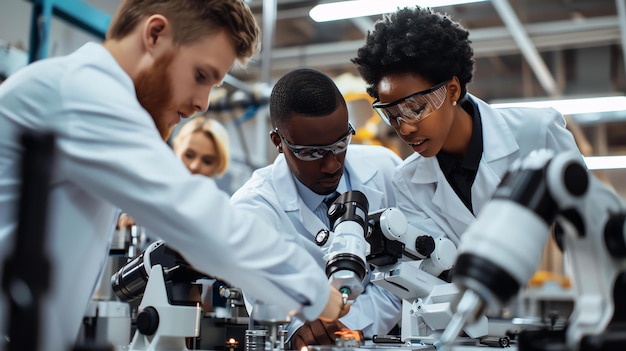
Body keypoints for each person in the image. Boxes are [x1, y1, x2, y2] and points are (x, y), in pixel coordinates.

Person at [0, 1, 345, 350]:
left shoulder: (85, 91)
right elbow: (200, 219)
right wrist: (319, 294)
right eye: (200, 76)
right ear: (155, 34)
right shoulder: (80, 91)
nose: (203, 104)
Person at [351, 6, 583, 246]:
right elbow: (437, 268)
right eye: (392, 115)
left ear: (452, 90)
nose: (405, 129)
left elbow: (591, 222)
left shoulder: (537, 131)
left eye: (416, 109)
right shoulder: (407, 181)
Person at [230, 68, 403, 349]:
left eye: (340, 144)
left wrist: (349, 325)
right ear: (279, 142)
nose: (332, 164)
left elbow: (405, 278)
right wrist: (301, 329)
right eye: (311, 152)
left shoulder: (386, 170)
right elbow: (269, 301)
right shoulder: (253, 208)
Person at [117, 116, 231, 229]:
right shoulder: (145, 189)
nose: (194, 166)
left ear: (218, 165)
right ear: (176, 148)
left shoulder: (220, 214)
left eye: (207, 161)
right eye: (189, 155)